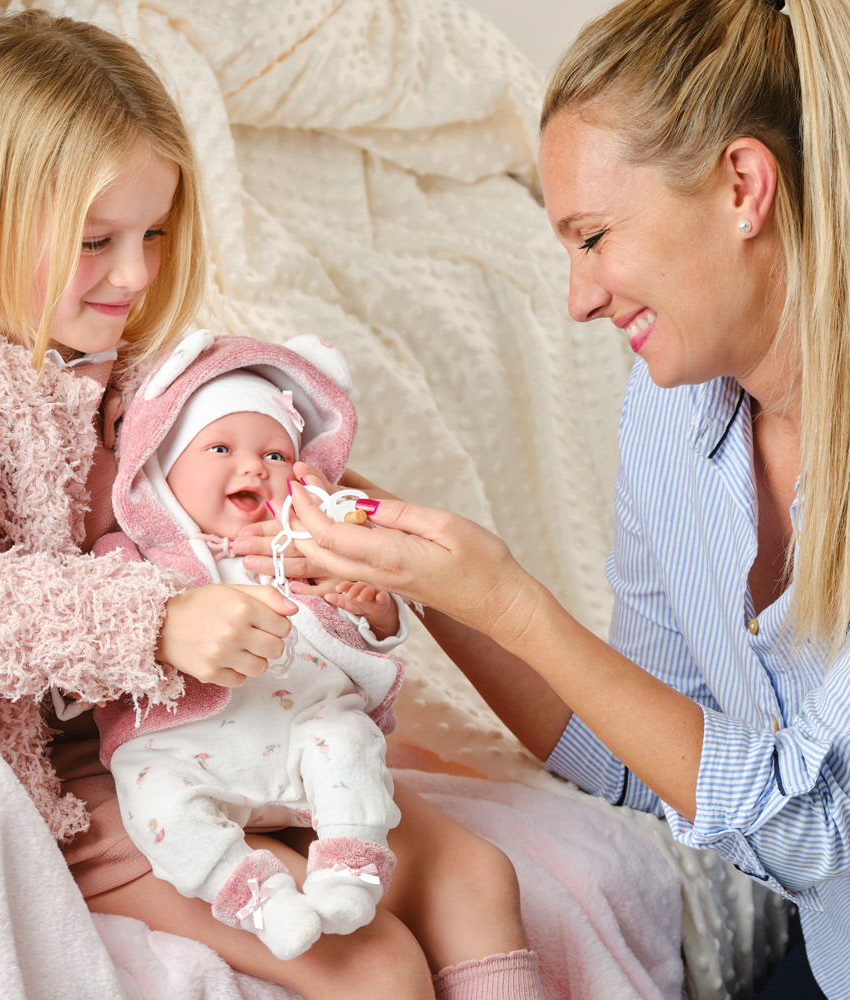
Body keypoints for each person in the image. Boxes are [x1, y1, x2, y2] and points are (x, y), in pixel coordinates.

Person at [0, 11, 541, 999]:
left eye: (156, 233)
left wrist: (308, 560)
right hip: (90, 787)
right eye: (96, 240)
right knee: (372, 962)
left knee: (478, 874)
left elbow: (220, 514)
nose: (134, 274)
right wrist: (159, 620)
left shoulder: (149, 381)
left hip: (232, 716)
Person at [234, 0, 850, 997]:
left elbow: (822, 829)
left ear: (742, 185)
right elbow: (633, 758)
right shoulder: (665, 420)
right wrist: (413, 563)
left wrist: (512, 601)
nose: (577, 297)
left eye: (594, 236)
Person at [89, 334, 407, 960]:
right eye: (220, 448)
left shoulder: (306, 550)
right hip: (182, 749)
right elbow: (96, 633)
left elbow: (362, 638)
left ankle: (349, 865)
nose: (255, 466)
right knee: (153, 797)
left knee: (346, 741)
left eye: (275, 453)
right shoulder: (131, 562)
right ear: (160, 467)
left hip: (298, 742)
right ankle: (255, 896)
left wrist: (370, 609)